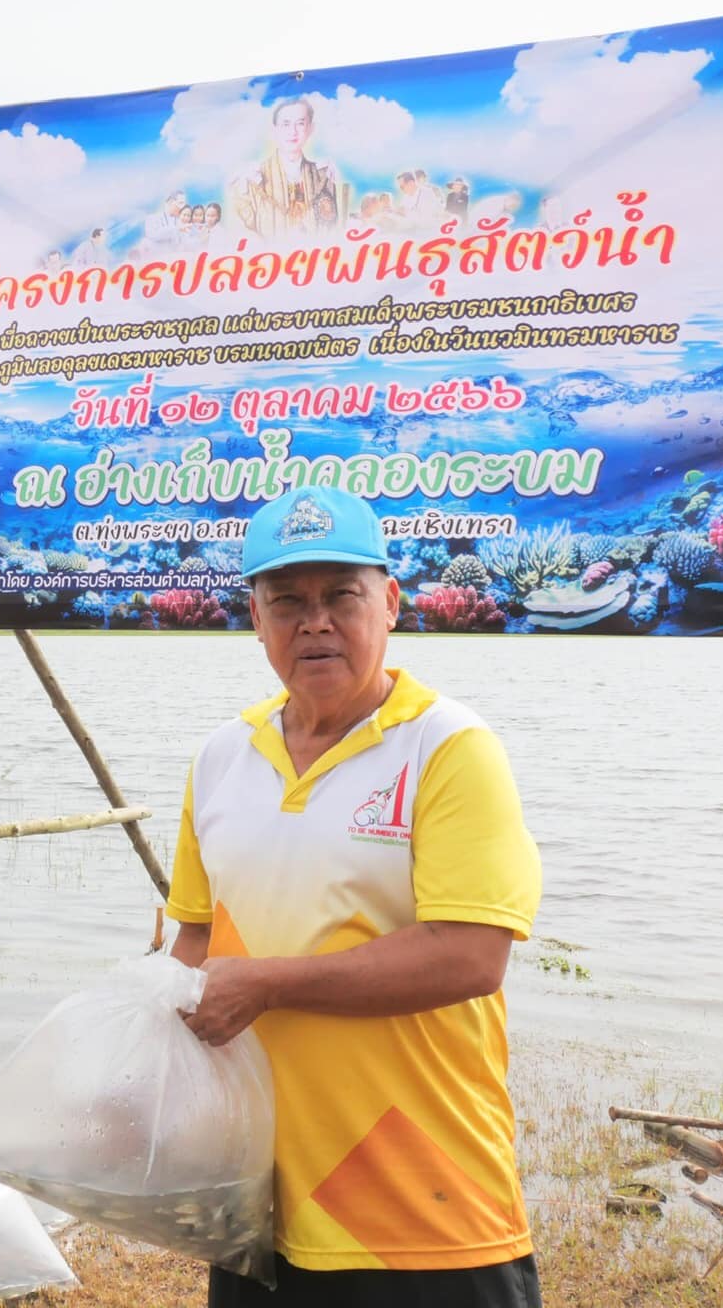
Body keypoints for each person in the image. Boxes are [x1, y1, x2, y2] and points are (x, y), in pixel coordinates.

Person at [168, 486, 543, 1308]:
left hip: (426, 1213)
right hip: (257, 1208)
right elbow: (193, 941)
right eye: (287, 602)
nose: (315, 623)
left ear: (391, 603)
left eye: (342, 595)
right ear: (255, 618)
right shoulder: (222, 758)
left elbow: (472, 956)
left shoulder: (448, 747)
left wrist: (265, 985)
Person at [231, 97, 342, 238]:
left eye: (300, 124)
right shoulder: (252, 178)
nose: (293, 132)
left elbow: (332, 228)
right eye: (286, 124)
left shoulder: (322, 177)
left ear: (310, 128)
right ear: (274, 129)